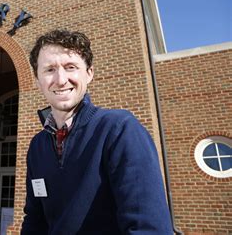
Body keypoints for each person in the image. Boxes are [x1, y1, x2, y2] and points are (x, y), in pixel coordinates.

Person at [21, 29, 173, 234]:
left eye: (70, 67)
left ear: (89, 73)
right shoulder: (38, 145)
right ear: (38, 81)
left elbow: (148, 228)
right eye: (49, 70)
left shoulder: (119, 129)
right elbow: (34, 220)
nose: (60, 79)